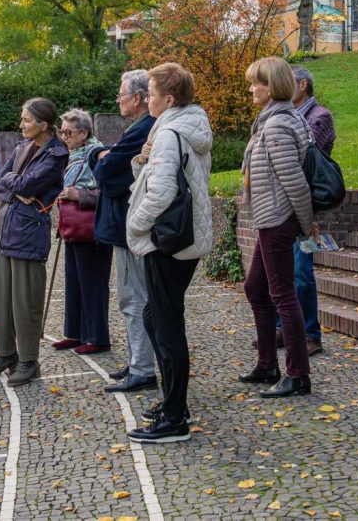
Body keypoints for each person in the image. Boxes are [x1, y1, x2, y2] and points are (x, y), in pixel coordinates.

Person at [124, 63, 212, 444]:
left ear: (169, 99)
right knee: (155, 316)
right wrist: (141, 160)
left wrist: (135, 225)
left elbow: (160, 194)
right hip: (184, 239)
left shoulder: (170, 132)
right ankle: (172, 402)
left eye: (153, 92)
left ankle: (175, 417)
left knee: (166, 324)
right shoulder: (184, 128)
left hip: (168, 241)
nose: (148, 98)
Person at [240, 57, 318, 400]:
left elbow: (295, 182)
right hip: (271, 218)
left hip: (279, 218)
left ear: (273, 86)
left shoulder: (277, 125)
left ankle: (298, 374)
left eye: (257, 83)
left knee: (282, 294)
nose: (252, 89)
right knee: (256, 288)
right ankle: (268, 363)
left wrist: (305, 224)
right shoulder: (273, 120)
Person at [0, 98, 68, 387]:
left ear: (43, 124)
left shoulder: (56, 152)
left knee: (25, 300)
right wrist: (15, 184)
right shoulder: (20, 147)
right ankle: (7, 353)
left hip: (28, 232)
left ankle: (29, 360)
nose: (21, 125)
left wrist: (15, 183)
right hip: (3, 228)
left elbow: (28, 185)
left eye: (27, 120)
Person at [87, 70, 158, 392]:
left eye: (121, 94)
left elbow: (107, 173)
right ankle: (137, 361)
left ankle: (142, 368)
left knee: (134, 298)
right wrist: (102, 154)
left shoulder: (142, 131)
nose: (118, 99)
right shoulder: (140, 130)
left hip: (130, 227)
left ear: (139, 97)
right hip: (128, 226)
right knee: (136, 298)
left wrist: (99, 155)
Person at [282, 66, 335, 356]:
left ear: (302, 85)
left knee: (302, 271)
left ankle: (311, 332)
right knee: (283, 272)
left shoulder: (319, 116)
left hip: (306, 203)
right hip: (284, 203)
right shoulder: (288, 117)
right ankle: (285, 329)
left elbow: (303, 153)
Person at [52, 109, 113, 355]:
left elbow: (110, 191)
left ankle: (98, 337)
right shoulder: (73, 155)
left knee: (93, 283)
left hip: (93, 227)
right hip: (74, 226)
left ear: (83, 133)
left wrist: (81, 195)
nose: (64, 137)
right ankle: (75, 333)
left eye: (69, 132)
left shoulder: (96, 153)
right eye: (62, 131)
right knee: (74, 280)